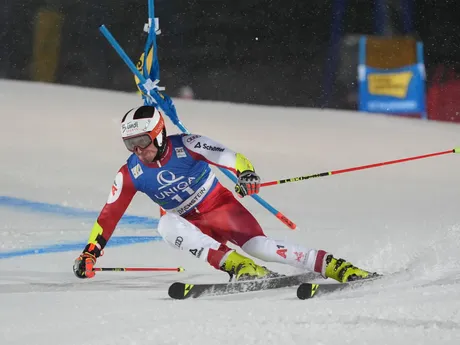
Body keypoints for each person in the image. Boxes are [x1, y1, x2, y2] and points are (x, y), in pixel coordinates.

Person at [73, 105, 376, 282]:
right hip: (188, 223)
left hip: (221, 207)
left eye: (142, 141)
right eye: (130, 144)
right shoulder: (130, 173)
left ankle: (330, 265)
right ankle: (238, 266)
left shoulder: (187, 144)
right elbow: (109, 214)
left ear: (159, 133)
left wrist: (246, 174)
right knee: (165, 225)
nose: (138, 150)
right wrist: (91, 252)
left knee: (260, 246)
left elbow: (229, 157)